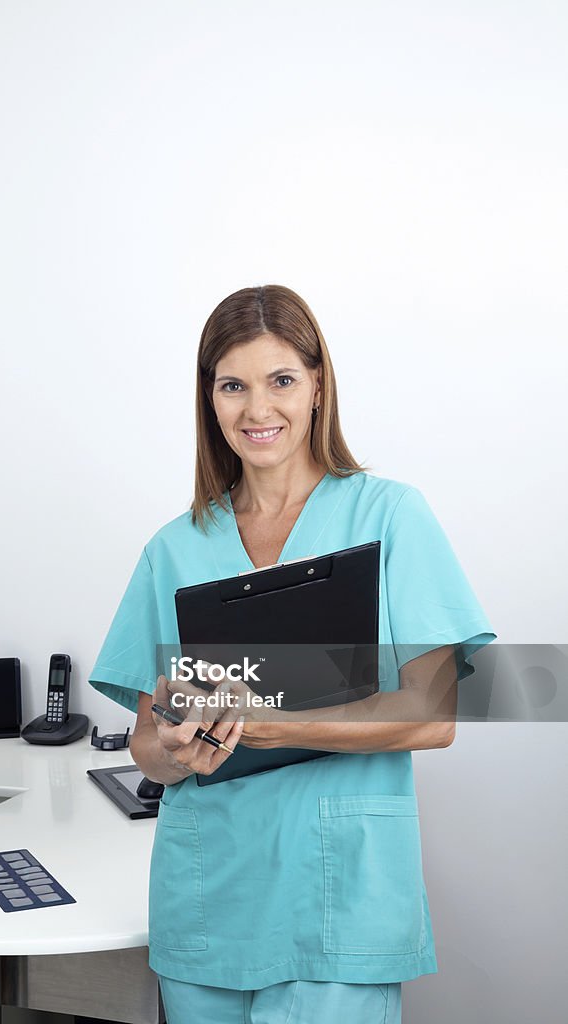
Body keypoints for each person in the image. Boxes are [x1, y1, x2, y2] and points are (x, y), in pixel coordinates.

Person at [88, 284, 496, 1024]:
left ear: (316, 388)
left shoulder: (388, 516)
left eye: (280, 380)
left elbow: (432, 715)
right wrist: (177, 748)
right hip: (207, 896)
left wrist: (267, 723)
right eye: (231, 386)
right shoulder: (173, 549)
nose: (256, 409)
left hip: (338, 896)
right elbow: (148, 745)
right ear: (208, 400)